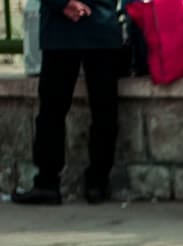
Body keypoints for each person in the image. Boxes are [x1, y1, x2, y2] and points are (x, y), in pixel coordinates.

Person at [12, 0, 122, 205]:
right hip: (98, 22)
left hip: (64, 29)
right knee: (103, 109)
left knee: (53, 110)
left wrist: (62, 4)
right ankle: (97, 182)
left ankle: (48, 182)